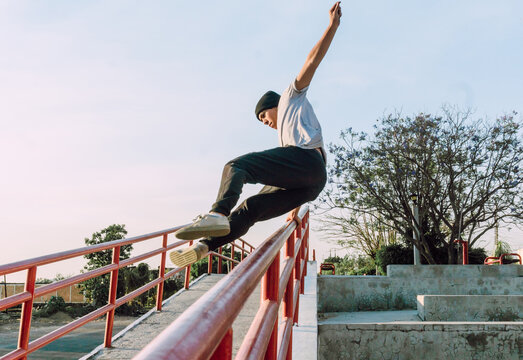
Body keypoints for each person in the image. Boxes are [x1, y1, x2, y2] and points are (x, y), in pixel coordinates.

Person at [170, 2, 342, 267]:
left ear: (273, 105)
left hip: (307, 164)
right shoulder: (288, 138)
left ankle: (218, 212)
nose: (265, 123)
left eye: (264, 117)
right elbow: (293, 178)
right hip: (311, 182)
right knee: (252, 208)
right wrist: (294, 211)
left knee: (236, 166)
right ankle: (205, 246)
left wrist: (331, 26)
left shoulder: (290, 98)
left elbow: (312, 61)